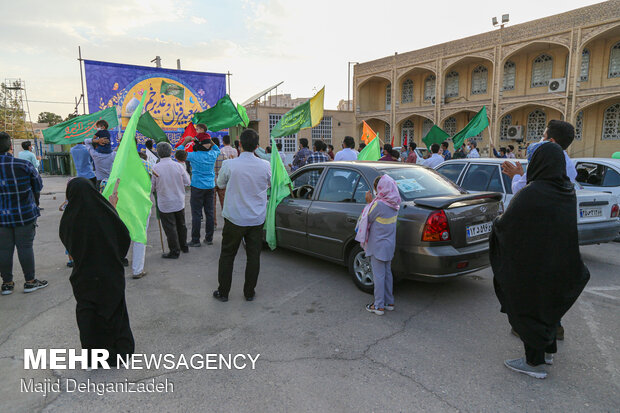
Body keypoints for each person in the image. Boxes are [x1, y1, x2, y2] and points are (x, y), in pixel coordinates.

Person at [490, 142, 590, 379]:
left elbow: (506, 225)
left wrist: (496, 223)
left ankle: (534, 364)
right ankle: (547, 352)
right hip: (560, 265)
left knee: (529, 310)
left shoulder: (533, 192)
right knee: (549, 310)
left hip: (534, 267)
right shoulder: (566, 191)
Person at [59, 178, 134, 367]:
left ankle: (93, 355)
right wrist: (113, 208)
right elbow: (123, 238)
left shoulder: (69, 218)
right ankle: (118, 352)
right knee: (113, 309)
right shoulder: (105, 212)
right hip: (110, 273)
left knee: (88, 313)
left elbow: (69, 246)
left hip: (84, 274)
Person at [213, 129, 271, 302]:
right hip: (256, 218)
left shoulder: (230, 165)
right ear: (257, 146)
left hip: (235, 218)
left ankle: (223, 292)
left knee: (227, 255)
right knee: (253, 256)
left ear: (240, 145)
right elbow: (270, 183)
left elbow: (220, 183)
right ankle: (249, 292)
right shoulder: (265, 165)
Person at [0, 132, 47, 295]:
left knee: (4, 250)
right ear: (10, 147)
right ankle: (30, 281)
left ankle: (6, 284)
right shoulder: (23, 165)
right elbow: (38, 186)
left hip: (1, 219)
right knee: (25, 247)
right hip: (24, 214)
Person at [355, 175, 401, 316]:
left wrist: (369, 202)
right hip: (389, 245)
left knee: (379, 275)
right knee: (387, 273)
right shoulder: (395, 203)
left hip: (378, 246)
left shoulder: (379, 204)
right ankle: (389, 302)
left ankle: (379, 305)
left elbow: (366, 217)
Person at [503, 120, 577, 195]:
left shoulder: (543, 162)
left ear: (552, 141)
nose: (541, 140)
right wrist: (523, 176)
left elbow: (519, 190)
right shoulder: (570, 166)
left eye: (543, 136)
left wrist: (516, 175)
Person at [152, 142, 190, 259]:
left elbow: (152, 187)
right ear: (171, 152)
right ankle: (184, 246)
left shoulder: (155, 168)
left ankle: (174, 251)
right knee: (181, 225)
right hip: (178, 200)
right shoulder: (178, 166)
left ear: (158, 153)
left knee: (170, 227)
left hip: (165, 202)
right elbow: (187, 182)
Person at [184, 131, 220, 247]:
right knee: (209, 212)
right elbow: (217, 149)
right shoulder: (213, 154)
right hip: (210, 186)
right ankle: (209, 238)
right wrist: (210, 140)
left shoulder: (192, 155)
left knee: (196, 214)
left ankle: (195, 240)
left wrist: (185, 141)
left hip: (197, 187)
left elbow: (179, 153)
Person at [130, 152, 153, 279]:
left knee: (123, 232)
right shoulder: (146, 164)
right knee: (140, 235)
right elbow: (151, 184)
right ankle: (137, 270)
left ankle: (120, 260)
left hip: (124, 202)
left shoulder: (121, 164)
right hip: (141, 202)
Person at [18, 140, 43, 208]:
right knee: (36, 190)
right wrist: (39, 160)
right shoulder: (31, 154)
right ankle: (36, 205)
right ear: (29, 147)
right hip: (33, 173)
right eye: (31, 146)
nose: (32, 147)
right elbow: (35, 165)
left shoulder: (20, 153)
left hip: (23, 173)